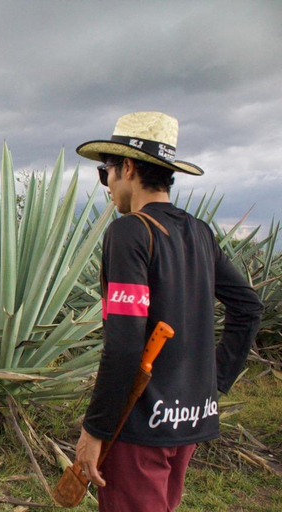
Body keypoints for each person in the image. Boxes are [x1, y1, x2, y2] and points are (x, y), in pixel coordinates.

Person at [73, 112, 264, 511]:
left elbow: (124, 344)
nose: (106, 183)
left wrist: (96, 429)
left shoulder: (129, 233)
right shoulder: (199, 232)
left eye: (104, 171)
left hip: (140, 422)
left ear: (127, 167)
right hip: (188, 419)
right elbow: (248, 307)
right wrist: (212, 385)